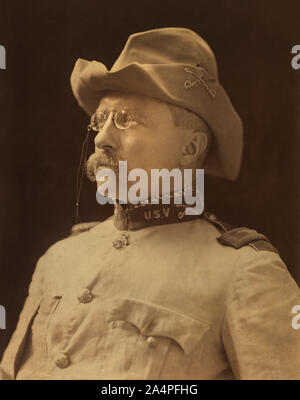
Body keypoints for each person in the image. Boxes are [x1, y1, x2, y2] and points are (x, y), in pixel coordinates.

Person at [1, 27, 299, 380]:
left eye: (126, 119)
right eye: (100, 119)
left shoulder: (244, 273)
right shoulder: (59, 258)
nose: (102, 137)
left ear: (190, 149)